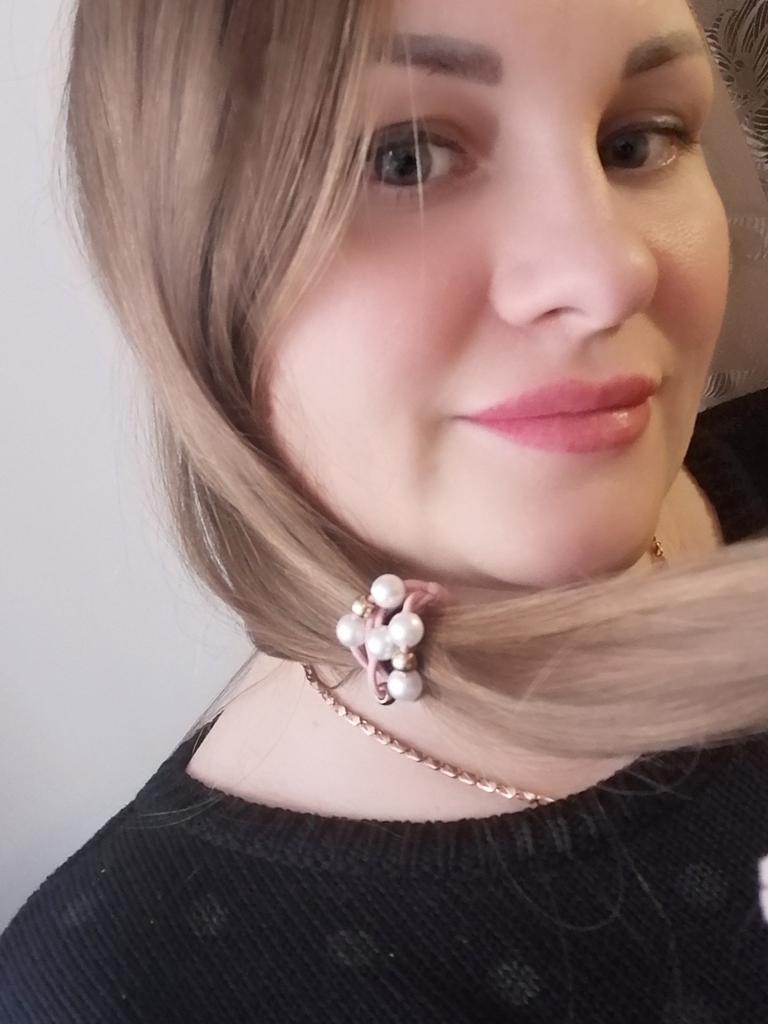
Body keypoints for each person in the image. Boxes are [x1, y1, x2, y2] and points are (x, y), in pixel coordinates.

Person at [2, 0, 768, 1021]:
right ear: (188, 256)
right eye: (404, 159)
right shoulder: (135, 987)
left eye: (636, 141)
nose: (608, 271)